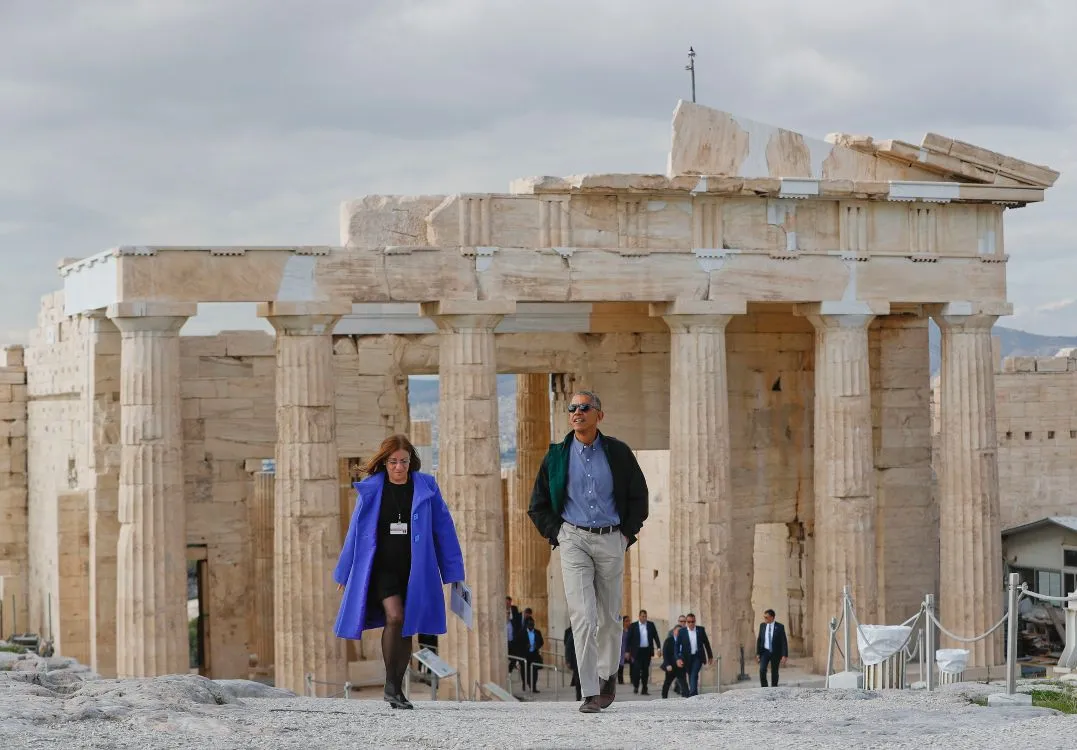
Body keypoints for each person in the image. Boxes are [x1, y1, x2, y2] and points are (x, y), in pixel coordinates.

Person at [528, 390, 649, 714]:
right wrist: (560, 534)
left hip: (611, 538)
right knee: (582, 615)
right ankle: (590, 690)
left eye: (584, 407)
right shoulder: (556, 456)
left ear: (599, 415)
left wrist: (626, 534)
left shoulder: (619, 453)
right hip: (574, 540)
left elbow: (639, 495)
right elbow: (537, 504)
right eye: (572, 408)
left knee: (609, 616)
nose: (577, 412)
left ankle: (607, 676)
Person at [333, 434, 465, 710]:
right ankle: (391, 687)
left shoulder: (426, 487)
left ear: (411, 462)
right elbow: (355, 533)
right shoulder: (372, 489)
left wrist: (453, 572)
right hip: (381, 568)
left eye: (403, 461)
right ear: (385, 462)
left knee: (406, 625)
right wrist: (345, 573)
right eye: (393, 461)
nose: (398, 467)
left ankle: (395, 687)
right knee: (395, 616)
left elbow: (444, 530)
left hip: (415, 569)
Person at [675, 613, 713, 697]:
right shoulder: (682, 632)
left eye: (692, 621)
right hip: (687, 658)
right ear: (686, 622)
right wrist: (678, 658)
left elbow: (706, 644)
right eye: (689, 622)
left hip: (697, 657)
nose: (691, 623)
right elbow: (677, 646)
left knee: (694, 674)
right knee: (691, 675)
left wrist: (710, 656)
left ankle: (692, 694)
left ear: (695, 621)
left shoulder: (700, 630)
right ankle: (694, 693)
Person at [625, 609, 662, 695]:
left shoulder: (650, 625)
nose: (644, 618)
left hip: (647, 651)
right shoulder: (633, 626)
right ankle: (636, 686)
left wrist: (659, 648)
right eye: (642, 616)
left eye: (645, 616)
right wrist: (627, 651)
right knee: (636, 670)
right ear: (639, 617)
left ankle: (644, 689)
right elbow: (628, 639)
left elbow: (656, 637)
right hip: (636, 652)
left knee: (645, 671)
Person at [757, 608, 789, 687]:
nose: (765, 619)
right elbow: (759, 640)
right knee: (762, 670)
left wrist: (784, 655)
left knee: (774, 672)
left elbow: (783, 641)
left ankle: (774, 688)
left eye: (766, 617)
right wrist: (758, 653)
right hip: (765, 652)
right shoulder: (762, 626)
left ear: (772, 617)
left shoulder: (780, 627)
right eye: (764, 617)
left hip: (775, 652)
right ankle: (764, 688)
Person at [660, 625, 689, 699]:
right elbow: (665, 654)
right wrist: (667, 664)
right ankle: (664, 697)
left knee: (683, 683)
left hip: (680, 666)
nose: (679, 633)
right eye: (677, 631)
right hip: (671, 666)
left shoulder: (684, 640)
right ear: (674, 632)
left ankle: (686, 697)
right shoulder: (669, 640)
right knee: (667, 682)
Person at [521, 616, 545, 693]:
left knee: (535, 671)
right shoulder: (522, 632)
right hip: (525, 655)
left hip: (534, 654)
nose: (531, 626)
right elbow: (518, 643)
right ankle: (525, 683)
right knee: (526, 671)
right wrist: (525, 646)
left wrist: (536, 645)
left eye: (532, 624)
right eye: (529, 624)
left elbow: (541, 642)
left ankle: (533, 687)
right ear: (526, 625)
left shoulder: (537, 632)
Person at [564, 625, 582, 701]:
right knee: (578, 680)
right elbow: (568, 647)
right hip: (577, 660)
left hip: (587, 660)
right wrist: (568, 660)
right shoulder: (574, 634)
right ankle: (578, 697)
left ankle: (590, 697)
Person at [618, 615, 631, 684]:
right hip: (621, 650)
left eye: (629, 621)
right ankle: (620, 680)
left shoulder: (631, 630)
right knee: (621, 665)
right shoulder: (620, 631)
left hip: (629, 650)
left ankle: (633, 680)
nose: (628, 623)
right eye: (626, 621)